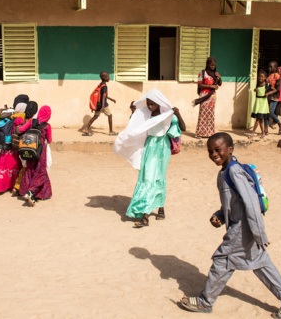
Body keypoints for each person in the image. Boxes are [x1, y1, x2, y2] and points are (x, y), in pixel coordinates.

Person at [180, 133, 281, 319]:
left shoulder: (234, 171)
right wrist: (220, 215)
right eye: (210, 151)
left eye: (218, 150)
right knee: (261, 264)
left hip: (243, 230)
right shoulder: (223, 172)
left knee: (222, 260)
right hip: (246, 230)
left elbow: (252, 204)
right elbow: (232, 204)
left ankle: (205, 302)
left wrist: (259, 233)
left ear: (230, 149)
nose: (214, 154)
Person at [113, 89, 185, 228]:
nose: (150, 106)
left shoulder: (167, 116)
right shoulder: (146, 116)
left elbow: (183, 127)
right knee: (148, 178)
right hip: (149, 148)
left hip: (162, 148)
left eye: (153, 104)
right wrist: (133, 112)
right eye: (148, 104)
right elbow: (134, 127)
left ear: (159, 104)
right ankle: (145, 214)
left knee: (159, 178)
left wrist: (178, 114)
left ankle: (160, 208)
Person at [18, 105, 53, 206]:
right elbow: (49, 140)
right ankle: (32, 191)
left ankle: (27, 191)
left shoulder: (31, 122)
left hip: (30, 149)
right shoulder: (47, 126)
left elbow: (21, 130)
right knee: (41, 172)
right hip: (40, 151)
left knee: (30, 169)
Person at [0, 103, 24, 196]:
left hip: (4, 148)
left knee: (1, 166)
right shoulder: (19, 118)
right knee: (14, 166)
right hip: (13, 148)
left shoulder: (7, 116)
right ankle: (13, 187)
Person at [12, 100, 38, 196]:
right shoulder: (34, 121)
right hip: (32, 148)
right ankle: (21, 188)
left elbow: (18, 130)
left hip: (22, 148)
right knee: (30, 169)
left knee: (24, 168)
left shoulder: (22, 119)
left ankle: (17, 187)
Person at [81, 71, 117, 136]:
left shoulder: (100, 85)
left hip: (98, 104)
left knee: (95, 116)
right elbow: (103, 96)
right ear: (105, 77)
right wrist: (103, 106)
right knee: (110, 115)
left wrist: (111, 99)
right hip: (103, 105)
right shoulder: (105, 86)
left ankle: (86, 128)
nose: (109, 78)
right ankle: (111, 131)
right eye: (108, 77)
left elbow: (103, 95)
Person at [194, 57, 221, 138]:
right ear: (207, 64)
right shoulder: (202, 73)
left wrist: (219, 77)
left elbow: (219, 84)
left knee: (210, 115)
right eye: (211, 65)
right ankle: (200, 133)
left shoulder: (215, 73)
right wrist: (211, 86)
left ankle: (210, 133)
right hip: (204, 96)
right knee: (203, 114)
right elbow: (200, 84)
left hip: (212, 97)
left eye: (214, 65)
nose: (212, 66)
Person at [250, 71, 275, 139]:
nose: (260, 78)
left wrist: (268, 94)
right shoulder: (258, 84)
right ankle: (263, 133)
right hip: (258, 101)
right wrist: (255, 90)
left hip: (263, 102)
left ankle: (252, 133)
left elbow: (274, 90)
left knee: (258, 119)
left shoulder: (267, 85)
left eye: (262, 77)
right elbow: (257, 90)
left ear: (265, 78)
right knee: (261, 119)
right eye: (259, 76)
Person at [266, 61, 281, 136]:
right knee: (266, 113)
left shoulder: (277, 76)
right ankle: (266, 129)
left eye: (271, 67)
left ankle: (280, 125)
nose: (269, 68)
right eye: (269, 67)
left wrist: (269, 92)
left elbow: (277, 89)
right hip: (268, 97)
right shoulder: (269, 76)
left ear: (275, 68)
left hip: (274, 97)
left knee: (271, 112)